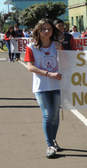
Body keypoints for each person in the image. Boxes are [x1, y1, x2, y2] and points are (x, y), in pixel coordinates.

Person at [24, 18, 64, 158]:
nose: (47, 31)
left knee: (55, 115)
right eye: (44, 29)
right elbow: (30, 67)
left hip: (57, 85)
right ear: (38, 31)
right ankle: (50, 146)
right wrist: (49, 73)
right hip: (41, 87)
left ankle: (53, 140)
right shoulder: (31, 47)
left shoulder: (57, 45)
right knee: (47, 114)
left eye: (49, 29)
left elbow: (67, 61)